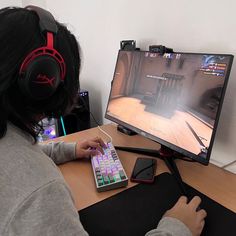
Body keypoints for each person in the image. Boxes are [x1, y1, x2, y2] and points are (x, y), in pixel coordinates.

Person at [0, 6, 207, 236]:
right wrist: (176, 229)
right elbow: (25, 174)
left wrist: (69, 150)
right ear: (44, 80)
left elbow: (18, 161)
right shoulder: (41, 193)